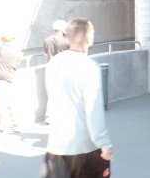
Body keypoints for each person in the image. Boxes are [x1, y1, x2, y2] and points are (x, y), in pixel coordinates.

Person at [41, 18, 113, 178]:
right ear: (87, 37)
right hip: (84, 149)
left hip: (56, 147)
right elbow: (93, 111)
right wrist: (104, 143)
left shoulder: (53, 63)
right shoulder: (89, 66)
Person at [0, 33, 22, 133]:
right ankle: (15, 124)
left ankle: (0, 126)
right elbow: (16, 67)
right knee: (10, 103)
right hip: (10, 79)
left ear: (3, 40)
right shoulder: (17, 53)